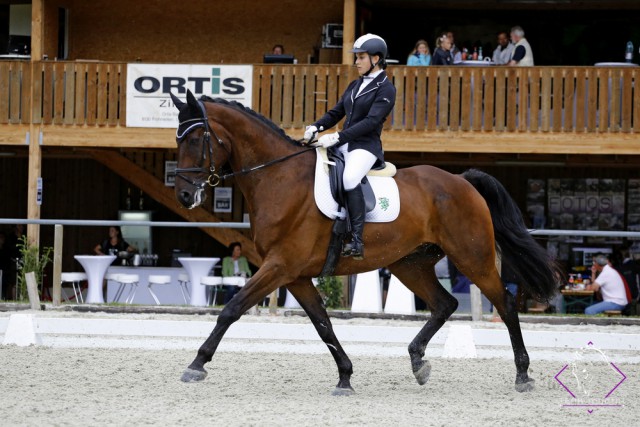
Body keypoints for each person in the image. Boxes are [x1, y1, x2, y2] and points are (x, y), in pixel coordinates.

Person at [302, 33, 396, 260]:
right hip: (345, 143)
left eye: (361, 57)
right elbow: (336, 112)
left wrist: (337, 137)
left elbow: (371, 122)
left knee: (350, 178)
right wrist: (316, 127)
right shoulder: (355, 85)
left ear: (376, 58)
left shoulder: (386, 88)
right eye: (357, 57)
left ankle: (356, 240)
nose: (356, 62)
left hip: (365, 146)